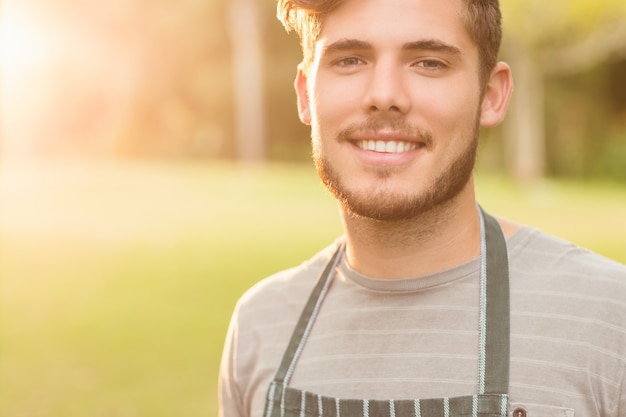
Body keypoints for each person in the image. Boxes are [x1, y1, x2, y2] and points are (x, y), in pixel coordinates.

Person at [219, 0, 626, 416]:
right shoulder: (261, 326)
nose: (384, 95)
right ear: (307, 95)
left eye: (428, 63)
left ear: (491, 95)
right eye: (350, 60)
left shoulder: (609, 321)